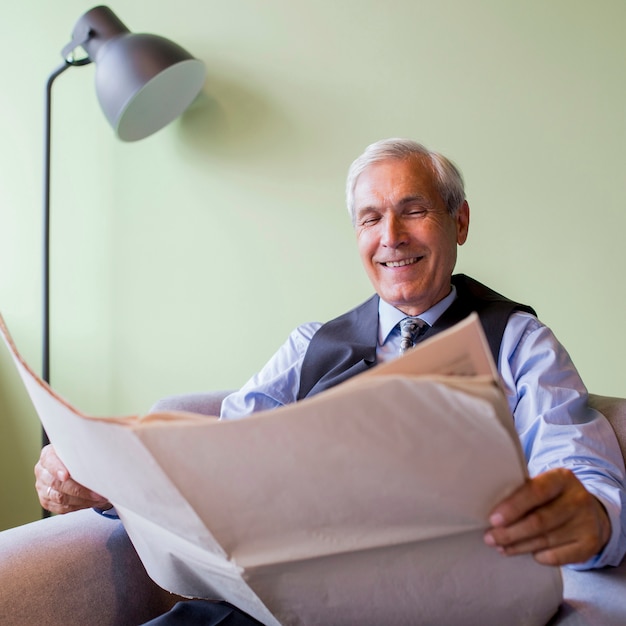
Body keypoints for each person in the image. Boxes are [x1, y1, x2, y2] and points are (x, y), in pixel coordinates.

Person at [35, 139, 626, 623]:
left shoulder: (521, 340)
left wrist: (592, 517)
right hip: (288, 608)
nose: (391, 235)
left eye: (414, 210)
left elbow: (583, 468)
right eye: (371, 218)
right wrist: (107, 484)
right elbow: (212, 460)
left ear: (459, 221)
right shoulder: (310, 345)